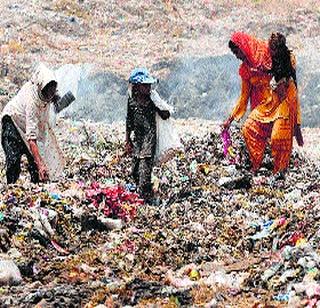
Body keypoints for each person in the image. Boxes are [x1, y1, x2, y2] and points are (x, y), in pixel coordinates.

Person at [223, 32, 303, 176]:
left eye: (237, 51)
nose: (237, 56)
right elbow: (243, 98)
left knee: (278, 136)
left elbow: (289, 66)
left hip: (282, 99)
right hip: (265, 105)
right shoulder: (246, 70)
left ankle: (279, 170)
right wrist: (230, 120)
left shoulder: (269, 51)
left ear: (244, 46)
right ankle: (257, 164)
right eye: (234, 53)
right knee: (248, 128)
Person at [1, 63, 65, 184]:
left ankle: (36, 189)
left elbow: (56, 100)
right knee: (14, 161)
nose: (51, 94)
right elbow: (31, 138)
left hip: (25, 124)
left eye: (53, 91)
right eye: (49, 92)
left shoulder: (47, 91)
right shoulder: (32, 102)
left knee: (35, 166)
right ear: (42, 88)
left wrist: (57, 100)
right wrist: (40, 164)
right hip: (12, 121)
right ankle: (11, 187)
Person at [126, 68, 170, 203]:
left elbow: (165, 115)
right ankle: (148, 194)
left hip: (149, 140)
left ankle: (144, 199)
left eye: (149, 85)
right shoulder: (131, 100)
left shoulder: (152, 99)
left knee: (144, 172)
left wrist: (159, 105)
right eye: (145, 85)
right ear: (137, 87)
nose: (148, 88)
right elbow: (129, 120)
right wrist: (127, 140)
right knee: (134, 171)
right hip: (138, 140)